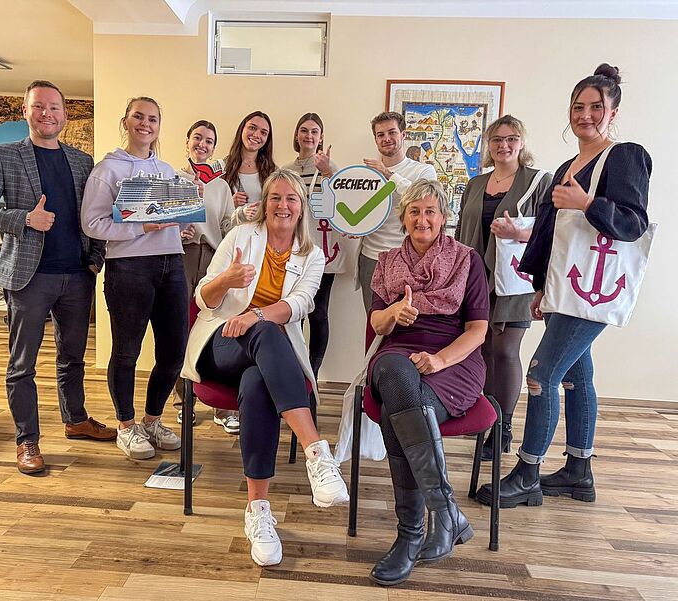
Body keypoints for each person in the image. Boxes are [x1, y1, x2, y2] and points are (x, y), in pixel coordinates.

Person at [477, 64, 652, 508]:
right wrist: (541, 286)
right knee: (576, 376)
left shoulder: (626, 156)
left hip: (595, 287)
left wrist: (587, 202)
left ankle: (527, 473)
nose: (585, 115)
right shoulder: (564, 167)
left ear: (613, 112)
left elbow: (633, 223)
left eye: (596, 107)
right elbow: (548, 233)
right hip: (565, 291)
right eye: (578, 107)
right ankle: (578, 470)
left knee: (541, 374)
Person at [181, 169, 349, 567]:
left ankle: (258, 511)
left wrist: (255, 316)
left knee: (258, 381)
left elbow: (301, 304)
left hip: (265, 356)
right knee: (267, 334)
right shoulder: (241, 237)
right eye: (276, 197)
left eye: (291, 199)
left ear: (301, 208)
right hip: (220, 344)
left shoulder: (312, 255)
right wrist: (227, 280)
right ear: (265, 203)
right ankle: (316, 452)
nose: (283, 205)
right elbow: (203, 299)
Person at [0, 80, 114, 475]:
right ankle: (27, 440)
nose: (47, 114)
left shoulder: (82, 161)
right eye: (39, 106)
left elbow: (94, 215)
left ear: (65, 114)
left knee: (73, 357)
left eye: (54, 107)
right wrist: (25, 219)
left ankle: (76, 419)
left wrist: (95, 258)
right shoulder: (4, 155)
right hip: (29, 278)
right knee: (22, 365)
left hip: (77, 276)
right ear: (25, 111)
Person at [365, 179, 488, 586]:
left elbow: (477, 330)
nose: (422, 219)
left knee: (398, 413)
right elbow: (377, 323)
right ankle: (446, 513)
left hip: (455, 360)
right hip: (398, 353)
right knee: (395, 372)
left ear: (443, 217)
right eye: (414, 211)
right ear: (403, 218)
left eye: (430, 211)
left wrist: (439, 360)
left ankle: (409, 536)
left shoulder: (467, 260)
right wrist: (395, 312)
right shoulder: (387, 262)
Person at [81, 96, 187, 460]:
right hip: (129, 267)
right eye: (138, 117)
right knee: (127, 351)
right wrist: (141, 228)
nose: (145, 124)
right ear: (125, 122)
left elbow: (175, 219)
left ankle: (152, 421)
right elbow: (92, 224)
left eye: (153, 119)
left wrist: (187, 214)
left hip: (172, 264)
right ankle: (126, 427)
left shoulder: (169, 171)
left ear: (159, 126)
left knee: (174, 352)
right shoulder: (107, 170)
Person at [455, 115, 553, 460]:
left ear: (521, 142)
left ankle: (504, 428)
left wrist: (519, 234)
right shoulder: (475, 184)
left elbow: (554, 229)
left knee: (505, 351)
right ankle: (486, 419)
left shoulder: (538, 182)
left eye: (511, 138)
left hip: (515, 281)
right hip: (477, 279)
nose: (504, 145)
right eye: (497, 139)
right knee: (481, 350)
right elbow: (461, 232)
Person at [173, 119, 239, 434]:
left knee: (214, 328)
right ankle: (182, 402)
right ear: (187, 141)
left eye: (209, 141)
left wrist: (242, 216)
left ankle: (220, 407)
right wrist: (176, 232)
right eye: (197, 137)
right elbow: (158, 218)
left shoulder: (221, 186)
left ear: (214, 149)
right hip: (181, 257)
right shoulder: (172, 178)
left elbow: (226, 226)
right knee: (179, 328)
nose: (202, 144)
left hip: (214, 259)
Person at [282, 112, 346, 379]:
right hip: (293, 252)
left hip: (324, 252)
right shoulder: (286, 170)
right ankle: (295, 370)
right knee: (293, 312)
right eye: (304, 130)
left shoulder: (332, 168)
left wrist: (328, 171)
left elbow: (346, 203)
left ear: (321, 138)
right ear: (297, 135)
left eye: (314, 132)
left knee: (318, 313)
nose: (309, 136)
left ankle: (313, 374)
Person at [359, 111, 437, 312]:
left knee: (407, 321)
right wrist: (354, 227)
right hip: (371, 257)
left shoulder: (423, 171)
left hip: (409, 258)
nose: (386, 138)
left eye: (392, 132)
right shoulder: (366, 173)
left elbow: (424, 200)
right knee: (374, 321)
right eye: (380, 135)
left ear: (403, 134)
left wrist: (388, 174)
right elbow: (361, 210)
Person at [223, 111, 276, 225]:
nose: (256, 135)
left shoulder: (273, 171)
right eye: (252, 128)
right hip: (232, 233)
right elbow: (213, 209)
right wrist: (230, 204)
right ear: (242, 129)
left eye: (263, 132)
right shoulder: (222, 168)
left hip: (262, 232)